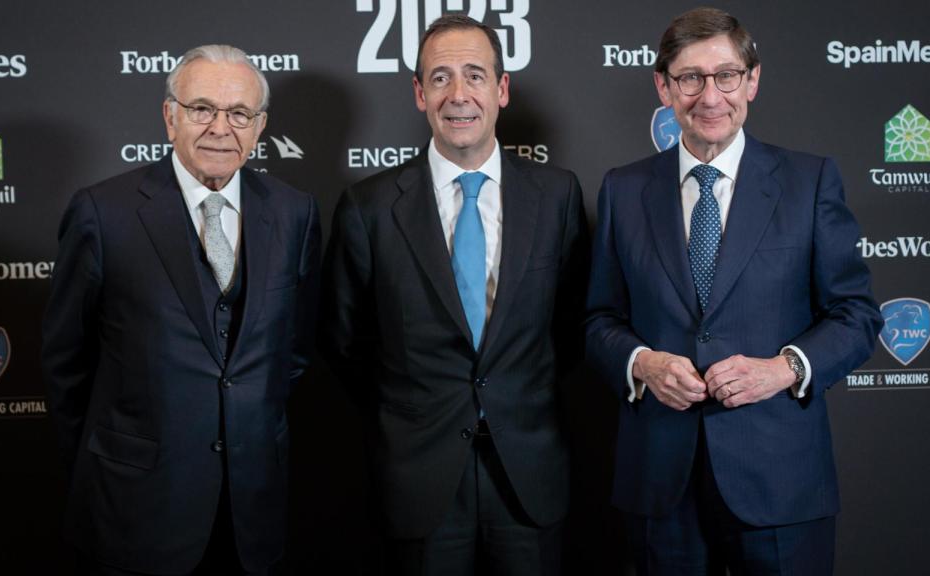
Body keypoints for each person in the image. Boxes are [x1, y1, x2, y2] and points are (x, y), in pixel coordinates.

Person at [585, 8, 882, 575]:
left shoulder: (809, 181)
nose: (710, 96)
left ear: (752, 80)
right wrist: (642, 363)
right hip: (659, 485)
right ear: (664, 86)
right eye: (690, 77)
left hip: (781, 484)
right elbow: (599, 320)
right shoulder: (623, 191)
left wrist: (783, 369)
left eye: (725, 75)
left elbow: (856, 315)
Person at [319, 14, 589, 576]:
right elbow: (345, 343)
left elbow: (571, 327)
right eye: (440, 78)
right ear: (419, 94)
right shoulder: (368, 209)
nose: (458, 94)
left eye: (474, 75)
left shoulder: (558, 196)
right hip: (418, 481)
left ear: (502, 89)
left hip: (529, 477)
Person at [42, 44, 320, 575]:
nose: (221, 127)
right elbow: (65, 364)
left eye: (239, 113)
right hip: (136, 506)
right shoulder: (103, 212)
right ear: (170, 117)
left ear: (259, 126)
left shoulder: (294, 212)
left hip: (251, 510)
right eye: (201, 109)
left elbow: (295, 350)